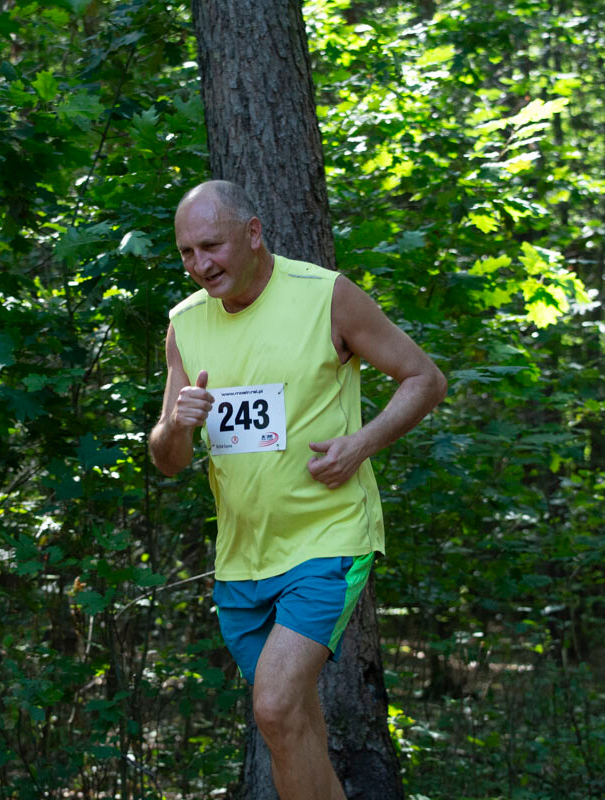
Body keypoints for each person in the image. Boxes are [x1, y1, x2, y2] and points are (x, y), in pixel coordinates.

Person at [149, 180, 447, 799]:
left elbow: (424, 378)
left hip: (327, 538)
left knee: (277, 706)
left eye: (212, 246)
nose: (201, 265)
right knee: (292, 727)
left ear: (253, 234)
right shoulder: (185, 324)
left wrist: (360, 443)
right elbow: (168, 460)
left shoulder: (325, 297)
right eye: (186, 253)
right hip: (242, 556)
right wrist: (177, 424)